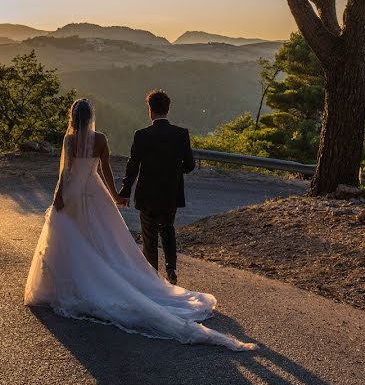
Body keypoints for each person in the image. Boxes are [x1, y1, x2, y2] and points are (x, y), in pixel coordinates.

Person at [24, 98, 255, 351]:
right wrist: (115, 196)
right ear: (91, 117)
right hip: (97, 190)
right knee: (110, 238)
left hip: (74, 194)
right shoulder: (100, 139)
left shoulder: (69, 140)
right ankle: (146, 273)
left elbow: (65, 173)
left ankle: (79, 282)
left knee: (74, 238)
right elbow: (106, 170)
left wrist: (58, 198)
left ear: (73, 117)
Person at [117, 89, 194, 285]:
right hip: (171, 192)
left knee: (149, 235)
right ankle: (172, 269)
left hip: (147, 194)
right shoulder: (181, 134)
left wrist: (125, 191)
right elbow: (190, 165)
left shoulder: (142, 135)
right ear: (168, 109)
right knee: (168, 229)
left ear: (150, 110)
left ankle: (152, 277)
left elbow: (133, 165)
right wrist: (176, 172)